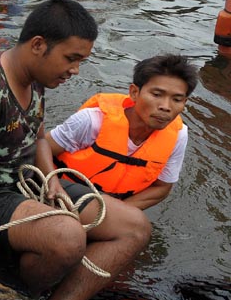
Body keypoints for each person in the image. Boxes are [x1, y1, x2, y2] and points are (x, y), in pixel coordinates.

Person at [0, 0, 152, 300]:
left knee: (135, 226)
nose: (74, 70)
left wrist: (52, 180)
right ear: (38, 45)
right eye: (71, 58)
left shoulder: (36, 78)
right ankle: (20, 294)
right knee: (68, 237)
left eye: (81, 61)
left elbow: (39, 137)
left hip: (26, 183)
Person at [49, 54, 197, 210]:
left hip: (109, 206)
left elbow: (162, 188)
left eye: (177, 99)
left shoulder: (178, 135)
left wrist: (115, 212)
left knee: (136, 224)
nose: (166, 107)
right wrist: (53, 186)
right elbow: (41, 148)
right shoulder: (92, 121)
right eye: (156, 95)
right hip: (60, 191)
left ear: (184, 102)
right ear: (134, 92)